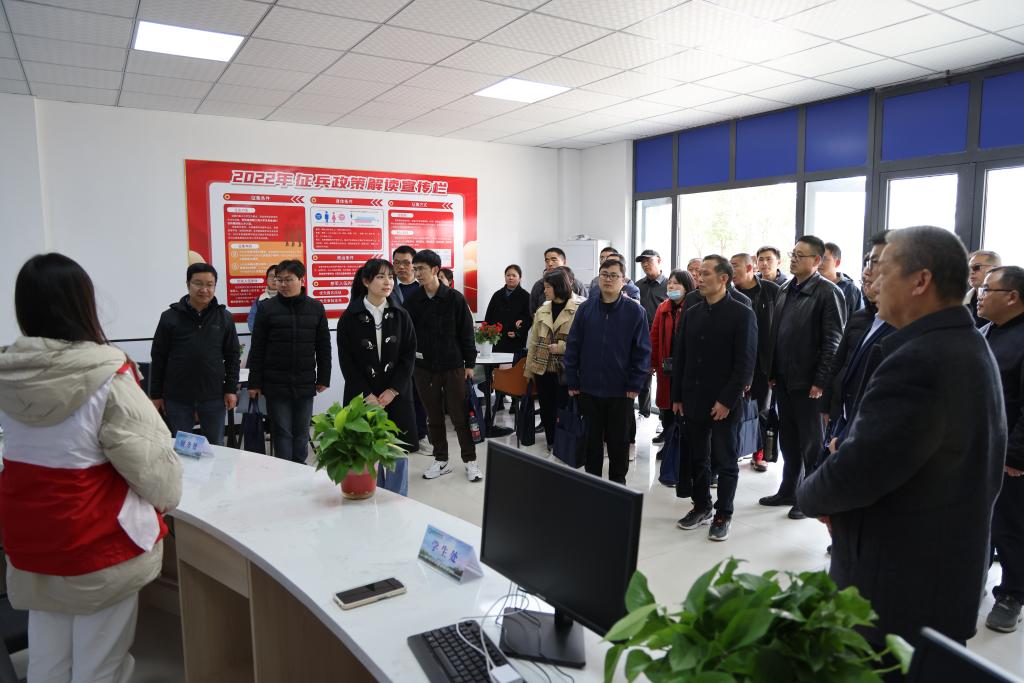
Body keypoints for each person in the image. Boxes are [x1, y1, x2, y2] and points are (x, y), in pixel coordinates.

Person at [797, 226, 1006, 649]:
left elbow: (857, 472)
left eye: (884, 268)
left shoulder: (920, 360)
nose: (873, 279)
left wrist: (811, 493)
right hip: (937, 575)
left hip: (898, 587)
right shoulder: (963, 341)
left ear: (920, 280)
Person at [0, 253, 182, 683]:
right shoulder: (108, 375)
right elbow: (156, 472)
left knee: (47, 660)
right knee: (100, 665)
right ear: (82, 303)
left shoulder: (10, 376)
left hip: (32, 540)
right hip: (97, 542)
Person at [672, 256, 757, 542]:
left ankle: (723, 513)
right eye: (699, 273)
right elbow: (681, 357)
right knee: (698, 457)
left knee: (725, 459)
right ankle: (701, 506)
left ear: (724, 278)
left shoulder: (742, 313)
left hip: (723, 402)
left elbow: (745, 364)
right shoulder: (692, 312)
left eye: (706, 273)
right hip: (693, 398)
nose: (699, 278)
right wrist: (677, 395)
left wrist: (727, 400)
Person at [761, 236, 845, 520]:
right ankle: (789, 490)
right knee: (789, 440)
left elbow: (833, 342)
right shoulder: (786, 288)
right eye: (793, 253)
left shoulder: (828, 292)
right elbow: (776, 334)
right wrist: (772, 372)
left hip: (810, 384)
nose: (794, 259)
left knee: (811, 443)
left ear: (817, 261)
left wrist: (821, 381)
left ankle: (809, 497)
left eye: (801, 255)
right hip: (784, 380)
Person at [563, 258, 651, 484]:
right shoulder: (586, 309)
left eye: (614, 275)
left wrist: (635, 384)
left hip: (621, 391)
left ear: (623, 280)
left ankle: (617, 485)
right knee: (591, 442)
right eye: (604, 274)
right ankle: (593, 484)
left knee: (618, 442)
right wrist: (572, 379)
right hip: (588, 388)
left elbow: (642, 352)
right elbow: (573, 346)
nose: (608, 279)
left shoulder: (635, 311)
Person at [336, 258, 417, 496]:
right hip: (363, 396)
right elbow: (347, 362)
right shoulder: (350, 317)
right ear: (366, 281)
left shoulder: (401, 314)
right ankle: (370, 495)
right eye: (381, 277)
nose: (387, 282)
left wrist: (393, 390)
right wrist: (367, 394)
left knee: (397, 450)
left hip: (396, 395)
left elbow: (408, 356)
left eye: (390, 277)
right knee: (365, 450)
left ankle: (396, 499)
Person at [403, 249, 481, 482]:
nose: (417, 273)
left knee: (460, 416)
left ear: (435, 270)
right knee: (433, 416)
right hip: (423, 368)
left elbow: (467, 334)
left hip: (453, 366)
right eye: (415, 269)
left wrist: (470, 364)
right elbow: (408, 335)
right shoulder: (412, 300)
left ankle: (470, 461)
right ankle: (441, 459)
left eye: (421, 269)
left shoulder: (455, 298)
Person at [977, 265, 1024, 633]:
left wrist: (1016, 454)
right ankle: (973, 579)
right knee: (979, 521)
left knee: (1010, 526)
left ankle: (1012, 594)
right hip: (977, 446)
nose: (979, 295)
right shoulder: (985, 331)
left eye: (987, 289)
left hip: (1009, 455)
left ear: (1012, 297)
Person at [247, 259, 331, 463]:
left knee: (302, 432)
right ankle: (283, 471)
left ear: (301, 280)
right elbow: (257, 348)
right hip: (275, 382)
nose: (283, 284)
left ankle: (300, 468)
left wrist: (324, 377)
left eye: (288, 280)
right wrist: (254, 382)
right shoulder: (267, 308)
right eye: (279, 280)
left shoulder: (315, 307)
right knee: (282, 432)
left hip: (305, 381)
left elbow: (323, 345)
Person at [150, 263, 240, 446]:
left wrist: (230, 389)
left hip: (213, 396)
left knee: (216, 447)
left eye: (209, 284)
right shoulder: (169, 317)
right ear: (188, 284)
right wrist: (156, 394)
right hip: (177, 397)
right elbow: (158, 357)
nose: (204, 289)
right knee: (182, 448)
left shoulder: (224, 317)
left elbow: (232, 356)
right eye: (198, 283)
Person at [821, 233, 895, 452]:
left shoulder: (906, 329)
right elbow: (839, 361)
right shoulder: (862, 318)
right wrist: (828, 403)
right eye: (867, 264)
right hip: (845, 411)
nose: (867, 272)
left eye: (875, 263)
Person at [730, 253, 780, 473]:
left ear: (750, 268)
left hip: (763, 363)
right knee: (735, 408)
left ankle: (760, 454)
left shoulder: (771, 291)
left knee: (761, 409)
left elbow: (779, 329)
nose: (731, 271)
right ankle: (735, 449)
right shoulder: (729, 292)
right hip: (737, 361)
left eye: (735, 266)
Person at [524, 268, 583, 451]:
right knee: (546, 408)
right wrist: (529, 370)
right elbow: (533, 341)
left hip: (566, 369)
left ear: (558, 287)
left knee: (565, 409)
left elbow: (586, 341)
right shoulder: (543, 309)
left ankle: (566, 443)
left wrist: (562, 347)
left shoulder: (580, 307)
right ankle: (551, 442)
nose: (545, 290)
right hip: (542, 368)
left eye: (548, 287)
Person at [650, 270, 695, 452]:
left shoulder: (694, 307)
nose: (671, 286)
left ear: (687, 287)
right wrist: (652, 362)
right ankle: (669, 445)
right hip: (666, 367)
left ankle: (682, 447)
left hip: (687, 368)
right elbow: (654, 337)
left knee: (683, 408)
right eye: (669, 283)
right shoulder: (663, 307)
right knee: (667, 408)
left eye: (676, 283)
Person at [391, 244, 429, 453]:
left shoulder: (424, 288)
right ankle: (397, 438)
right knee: (398, 395)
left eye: (406, 263)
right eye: (397, 263)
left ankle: (421, 435)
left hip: (421, 352)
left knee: (420, 395)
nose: (401, 267)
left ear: (414, 265)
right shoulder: (389, 288)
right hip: (394, 353)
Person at [483, 264, 532, 412]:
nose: (510, 278)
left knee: (514, 371)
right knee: (498, 371)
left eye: (514, 275)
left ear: (520, 278)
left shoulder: (525, 296)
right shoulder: (497, 295)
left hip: (515, 340)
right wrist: (488, 334)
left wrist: (518, 332)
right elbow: (488, 316)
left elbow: (529, 318)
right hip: (498, 339)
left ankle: (515, 403)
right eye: (508, 275)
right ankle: (499, 400)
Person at [529, 247, 586, 315]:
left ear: (564, 262)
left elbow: (586, 308)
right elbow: (533, 310)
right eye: (547, 261)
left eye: (554, 260)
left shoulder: (577, 284)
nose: (550, 264)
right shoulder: (539, 285)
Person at [819, 242, 864, 321]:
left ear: (837, 263)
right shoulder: (811, 285)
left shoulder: (850, 290)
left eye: (824, 259)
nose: (819, 263)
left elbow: (858, 321)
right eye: (818, 258)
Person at [965, 249, 1002, 328]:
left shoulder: (1008, 300)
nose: (971, 272)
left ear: (996, 269)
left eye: (977, 267)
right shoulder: (959, 303)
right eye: (968, 269)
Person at [247, 264, 277, 332]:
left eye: (277, 276)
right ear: (266, 279)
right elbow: (251, 323)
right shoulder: (259, 300)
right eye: (271, 276)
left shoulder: (287, 298)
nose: (274, 279)